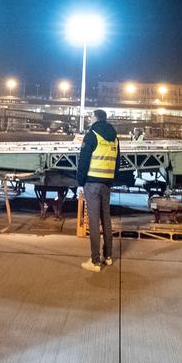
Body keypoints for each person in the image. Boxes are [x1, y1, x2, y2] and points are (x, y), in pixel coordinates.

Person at [76, 108, 119, 273]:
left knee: (94, 221)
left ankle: (95, 261)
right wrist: (111, 179)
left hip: (92, 182)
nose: (90, 119)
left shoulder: (92, 134)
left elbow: (83, 160)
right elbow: (118, 161)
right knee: (106, 219)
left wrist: (80, 181)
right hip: (107, 183)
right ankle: (108, 256)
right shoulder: (115, 137)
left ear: (96, 118)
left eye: (91, 117)